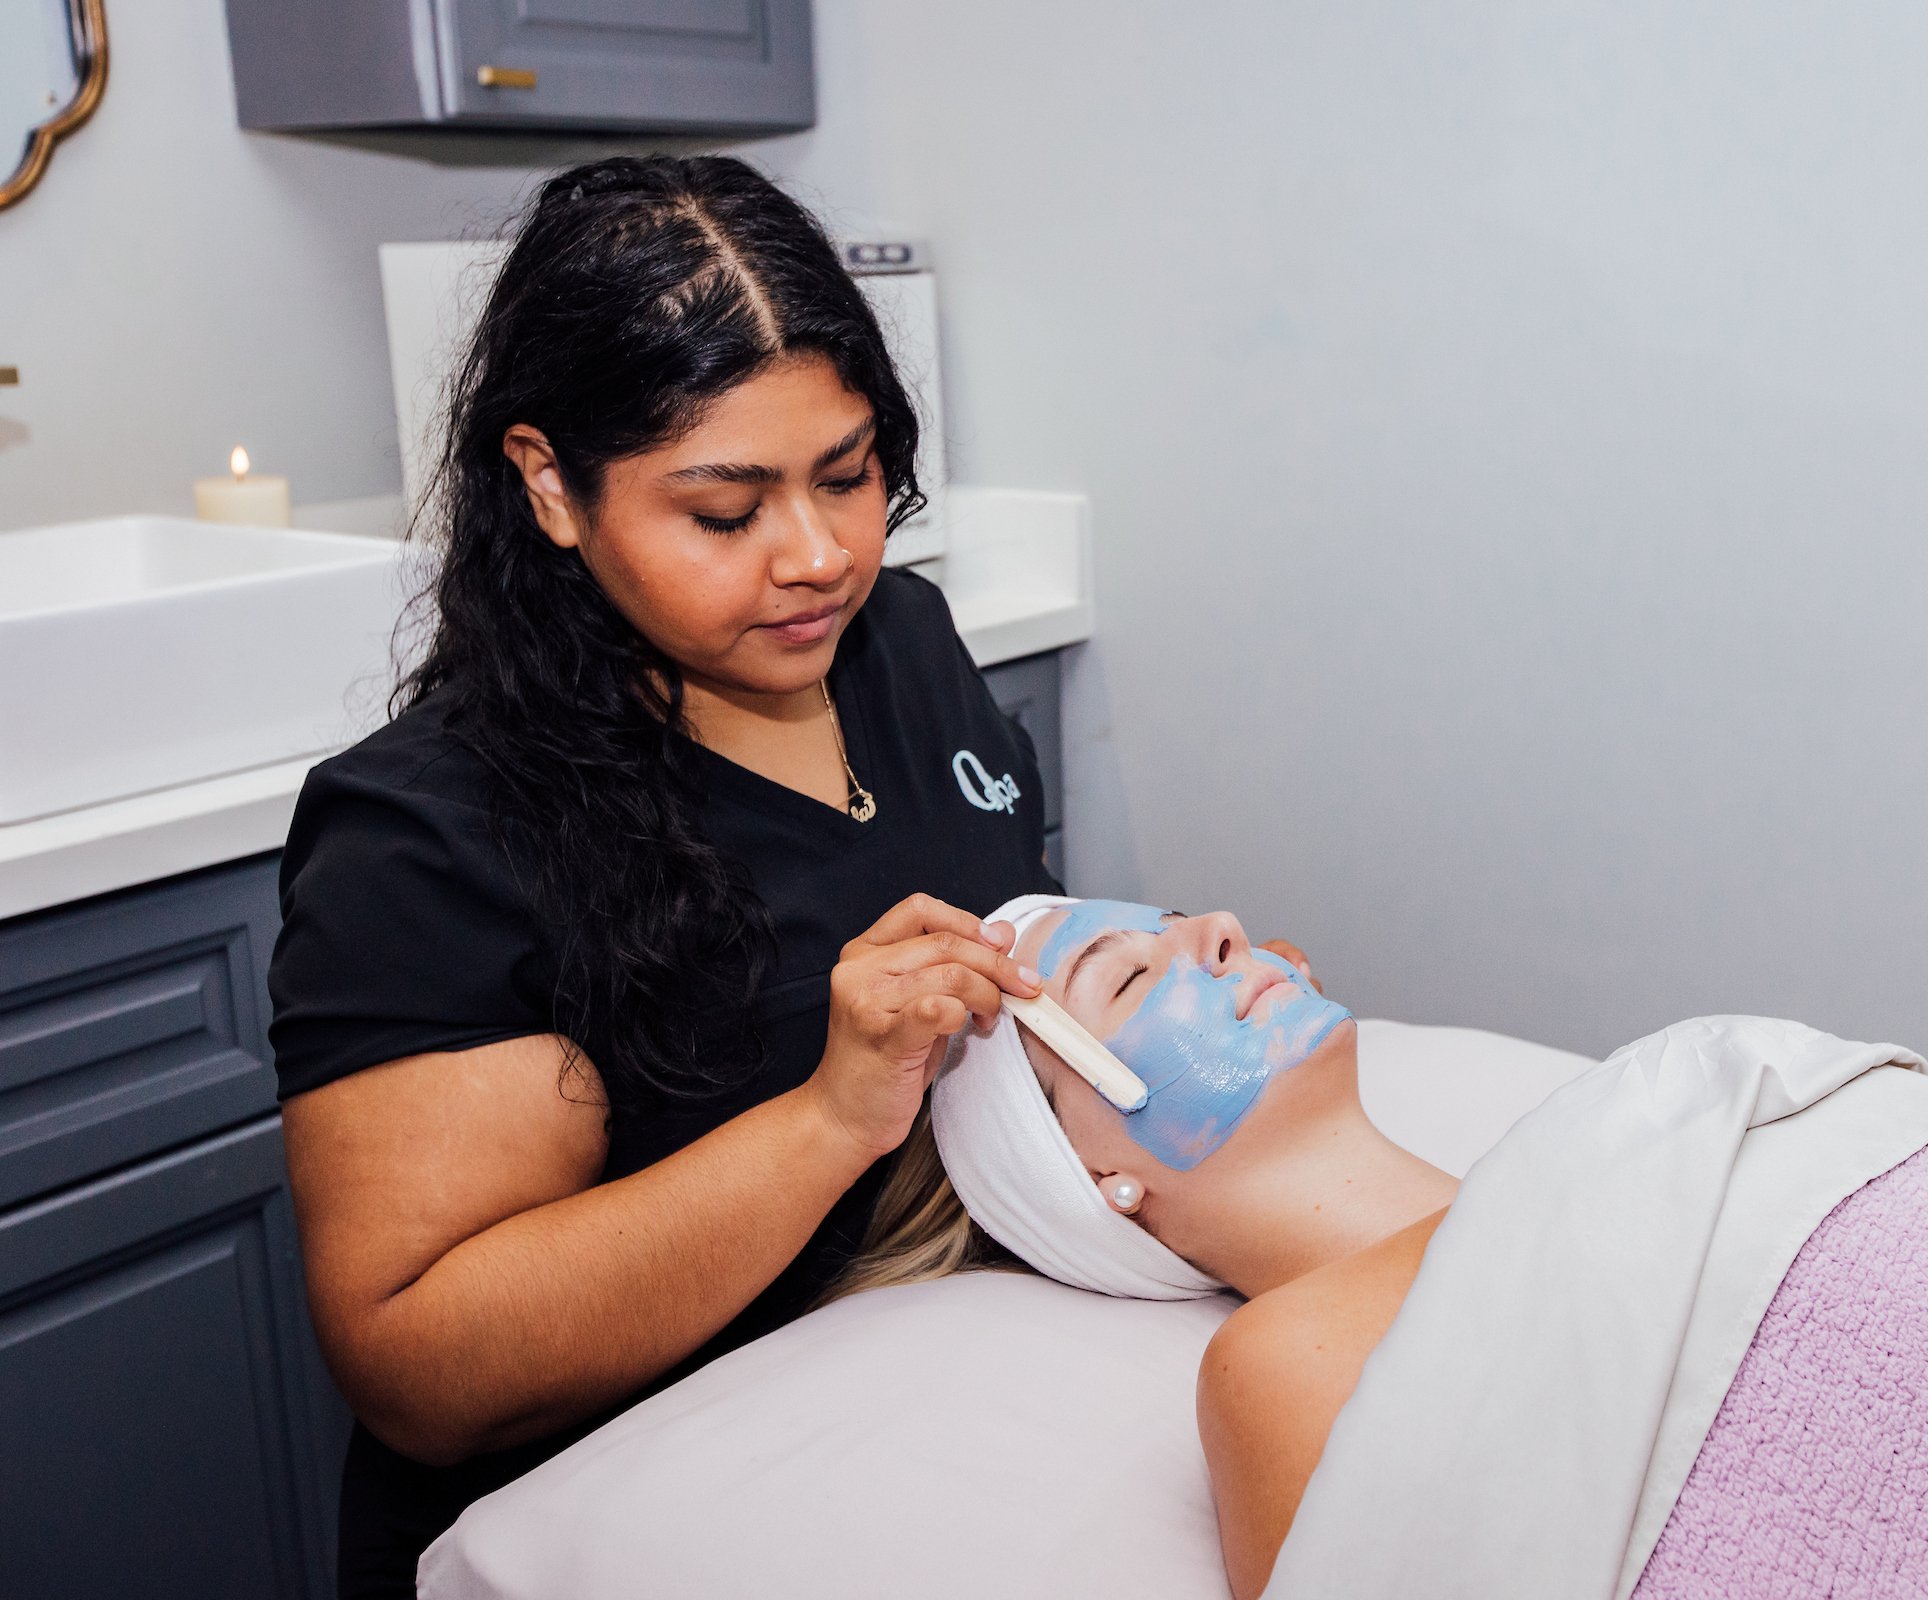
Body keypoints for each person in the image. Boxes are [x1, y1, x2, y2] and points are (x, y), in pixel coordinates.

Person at [268, 156, 1314, 1597]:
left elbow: (1014, 980)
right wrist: (829, 1117)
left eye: (849, 474)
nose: (818, 557)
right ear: (550, 486)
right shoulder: (430, 834)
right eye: (725, 512)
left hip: (908, 1426)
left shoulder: (905, 645)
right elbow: (425, 1372)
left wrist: (1181, 987)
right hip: (613, 1525)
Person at [850, 896, 1928, 1600]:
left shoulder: (1648, 1125)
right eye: (1129, 980)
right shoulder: (1283, 1366)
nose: (1214, 935)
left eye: (1183, 923)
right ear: (1100, 1179)